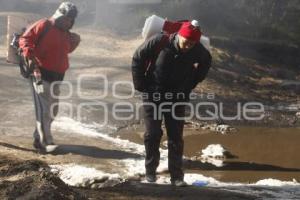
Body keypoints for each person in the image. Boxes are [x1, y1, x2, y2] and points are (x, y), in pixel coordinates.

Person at [132, 20, 212, 186]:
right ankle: (150, 172)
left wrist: (191, 83)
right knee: (153, 134)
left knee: (175, 136)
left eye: (192, 43)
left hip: (177, 97)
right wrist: (141, 85)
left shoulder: (197, 49)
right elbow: (138, 57)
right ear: (179, 36)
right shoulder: (161, 41)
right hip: (153, 94)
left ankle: (176, 176)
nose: (188, 46)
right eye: (186, 41)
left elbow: (206, 62)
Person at [19, 2, 80, 152]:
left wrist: (74, 41)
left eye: (70, 20)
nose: (68, 22)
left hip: (57, 78)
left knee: (52, 110)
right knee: (44, 109)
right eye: (66, 19)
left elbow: (66, 50)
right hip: (39, 73)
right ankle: (45, 142)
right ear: (59, 15)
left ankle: (38, 138)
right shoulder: (44, 24)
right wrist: (30, 55)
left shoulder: (66, 34)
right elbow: (25, 39)